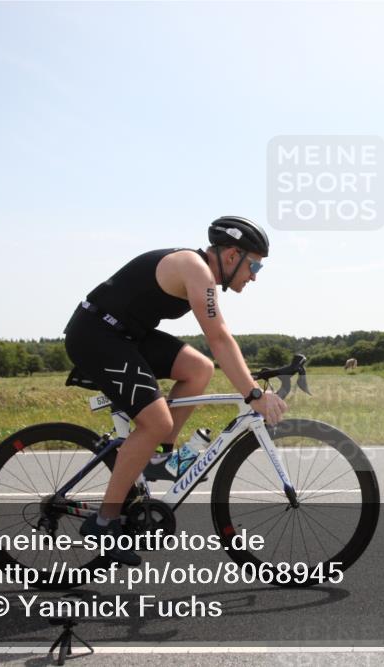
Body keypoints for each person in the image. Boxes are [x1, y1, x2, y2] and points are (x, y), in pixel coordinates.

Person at [63, 216, 288, 565]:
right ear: (232, 255)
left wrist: (250, 386)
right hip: (96, 335)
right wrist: (254, 394)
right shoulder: (195, 269)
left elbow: (216, 345)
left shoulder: (198, 271)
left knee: (199, 369)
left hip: (125, 334)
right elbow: (219, 337)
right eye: (254, 266)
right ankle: (104, 522)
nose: (254, 276)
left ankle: (158, 458)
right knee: (155, 421)